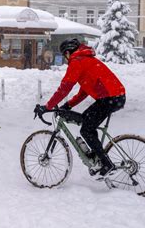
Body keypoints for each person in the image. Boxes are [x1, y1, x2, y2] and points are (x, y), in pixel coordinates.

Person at [34, 38, 126, 177]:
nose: (66, 60)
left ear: (68, 52)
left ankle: (107, 164)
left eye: (65, 56)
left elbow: (64, 88)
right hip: (114, 97)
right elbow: (83, 92)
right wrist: (68, 105)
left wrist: (47, 107)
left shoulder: (77, 61)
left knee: (87, 129)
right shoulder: (85, 60)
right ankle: (98, 157)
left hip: (110, 98)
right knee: (87, 123)